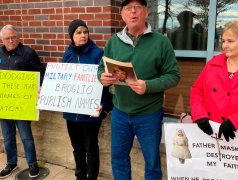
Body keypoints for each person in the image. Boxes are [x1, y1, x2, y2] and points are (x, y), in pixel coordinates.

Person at [97, 0, 180, 179]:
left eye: (138, 7)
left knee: (152, 162)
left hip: (149, 114)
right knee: (118, 159)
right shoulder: (113, 42)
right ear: (122, 14)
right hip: (120, 113)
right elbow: (100, 68)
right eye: (128, 8)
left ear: (146, 12)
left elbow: (173, 75)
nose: (133, 12)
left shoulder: (161, 42)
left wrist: (148, 86)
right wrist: (102, 77)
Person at [62, 19, 113, 180]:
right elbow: (63, 82)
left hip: (91, 111)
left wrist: (104, 106)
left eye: (85, 31)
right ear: (72, 36)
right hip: (71, 112)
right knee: (77, 148)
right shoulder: (67, 54)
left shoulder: (97, 54)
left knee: (91, 148)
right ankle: (80, 176)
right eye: (78, 32)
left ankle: (92, 177)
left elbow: (105, 84)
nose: (83, 35)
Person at [0, 24, 44, 179]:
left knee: (25, 136)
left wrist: (39, 86)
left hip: (22, 104)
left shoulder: (28, 53)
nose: (11, 40)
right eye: (7, 38)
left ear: (18, 37)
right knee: (7, 136)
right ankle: (11, 163)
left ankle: (32, 164)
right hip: (4, 104)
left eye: (13, 37)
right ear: (2, 39)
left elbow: (40, 72)